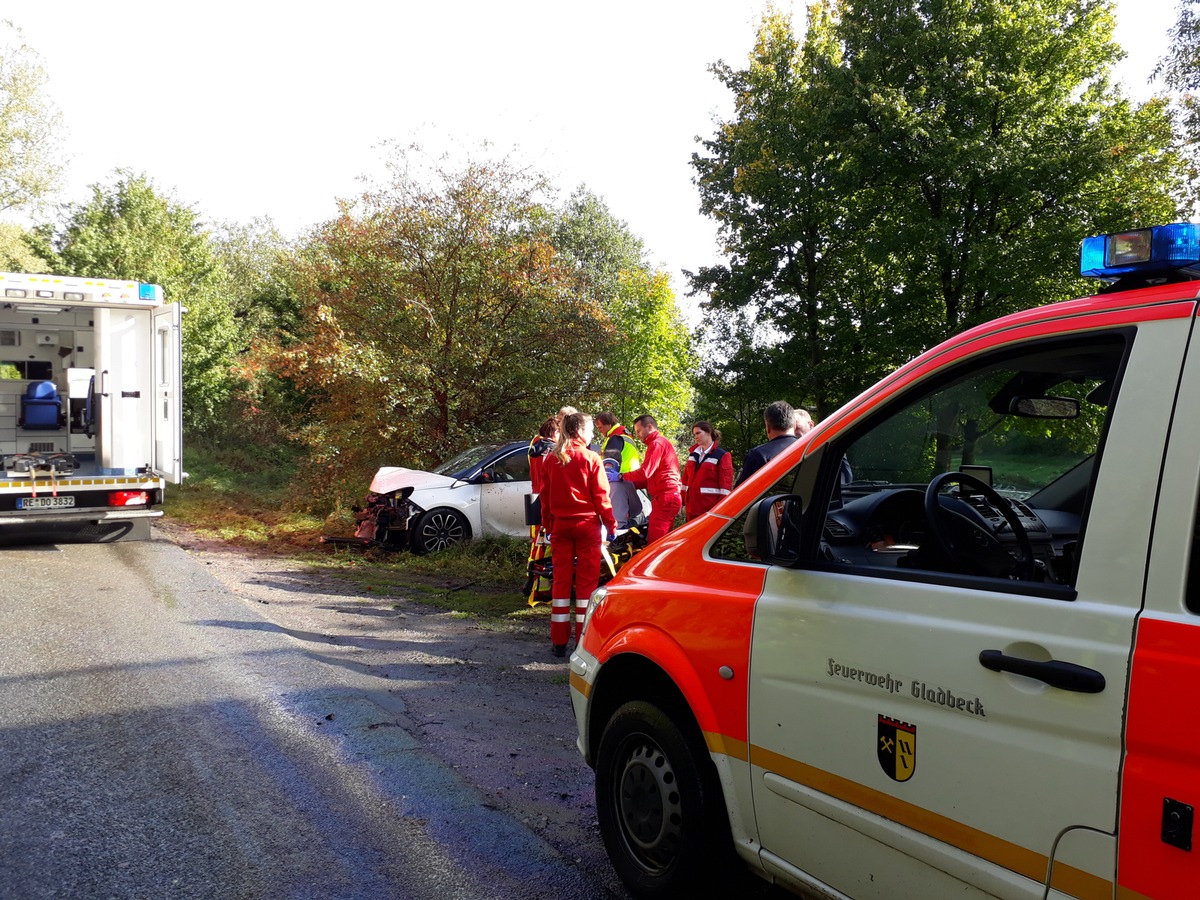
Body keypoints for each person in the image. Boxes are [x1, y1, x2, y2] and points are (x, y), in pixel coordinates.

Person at [541, 412, 617, 657]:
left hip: (561, 527)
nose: (593, 434)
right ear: (579, 432)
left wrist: (548, 527)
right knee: (586, 585)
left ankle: (559, 642)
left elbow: (544, 499)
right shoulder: (591, 458)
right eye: (590, 430)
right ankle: (583, 641)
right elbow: (602, 498)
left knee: (561, 583)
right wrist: (611, 526)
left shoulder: (551, 459)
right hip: (587, 527)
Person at [612, 414, 682, 544]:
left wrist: (621, 476)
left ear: (649, 427)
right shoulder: (659, 444)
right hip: (666, 497)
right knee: (662, 541)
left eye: (639, 431)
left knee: (655, 544)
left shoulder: (657, 444)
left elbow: (645, 472)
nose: (637, 435)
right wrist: (628, 482)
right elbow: (649, 479)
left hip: (665, 498)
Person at [735, 400, 798, 488]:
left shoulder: (758, 455)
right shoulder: (812, 449)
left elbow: (740, 493)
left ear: (767, 426)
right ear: (794, 425)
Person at [595, 411, 643, 527]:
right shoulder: (623, 435)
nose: (599, 430)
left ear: (608, 424)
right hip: (632, 482)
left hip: (620, 483)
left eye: (600, 427)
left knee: (618, 524)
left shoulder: (615, 438)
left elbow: (610, 465)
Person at [681, 421, 733, 520]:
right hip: (691, 508)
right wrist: (682, 502)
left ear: (708, 432)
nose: (695, 437)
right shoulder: (693, 455)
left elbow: (725, 488)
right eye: (694, 434)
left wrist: (719, 511)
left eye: (698, 433)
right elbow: (685, 482)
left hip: (709, 510)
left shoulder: (722, 455)